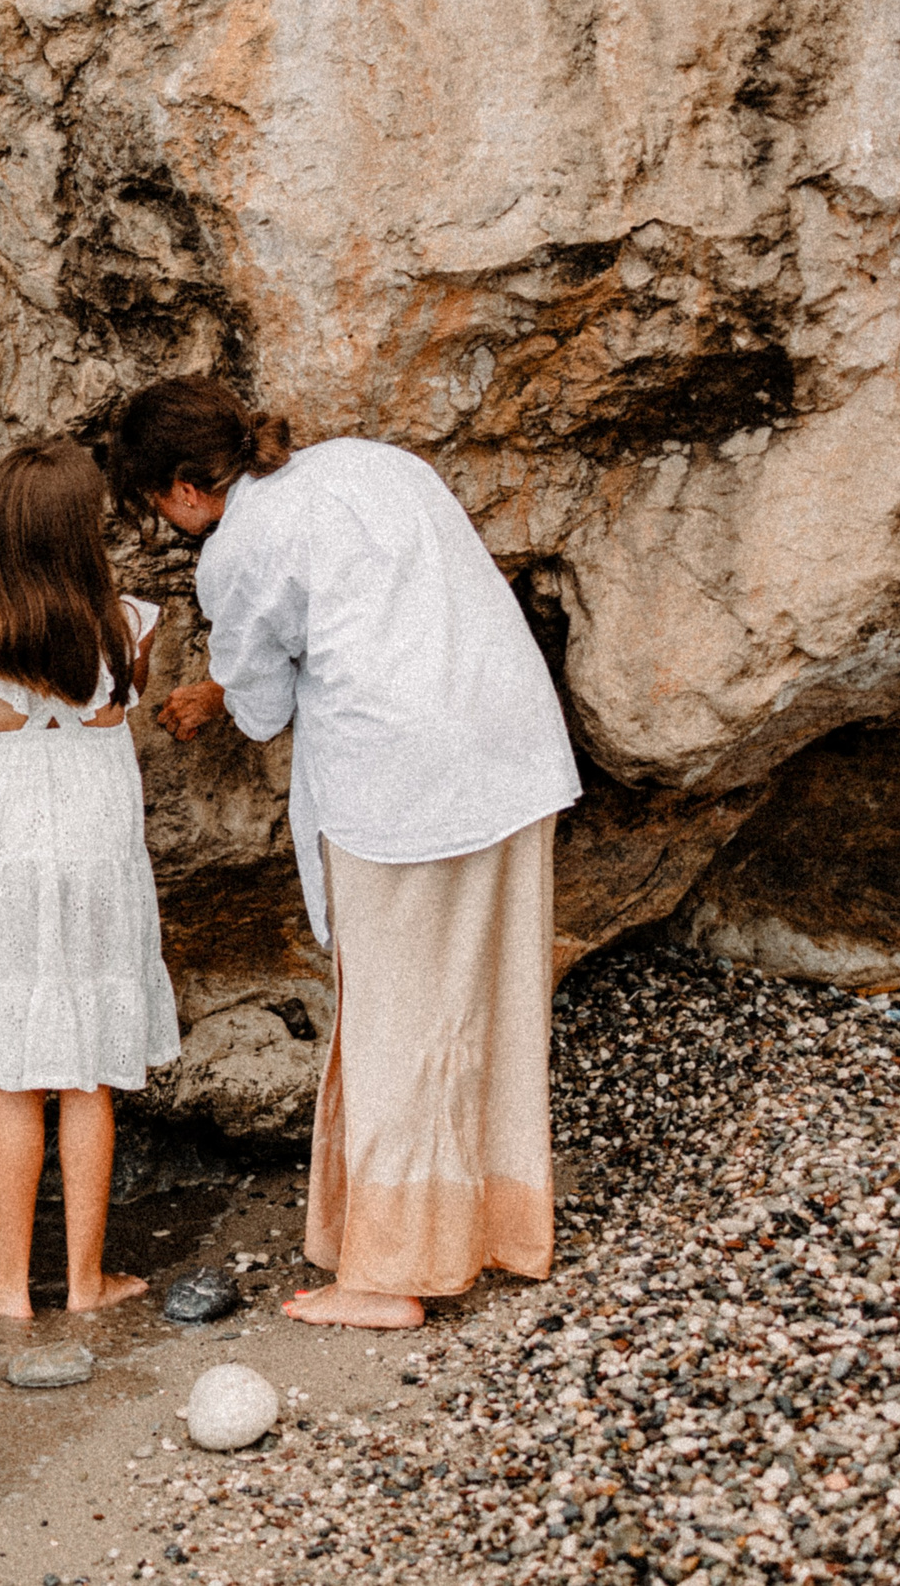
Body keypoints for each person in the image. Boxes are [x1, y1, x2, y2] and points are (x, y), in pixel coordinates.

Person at [105, 376, 581, 1331]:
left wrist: (222, 691)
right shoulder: (370, 461)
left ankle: (391, 1271)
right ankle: (496, 1224)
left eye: (156, 503)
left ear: (186, 488)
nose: (167, 522)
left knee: (399, 1016)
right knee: (489, 996)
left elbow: (270, 703)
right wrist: (226, 684)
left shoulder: (236, 545)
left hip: (404, 783)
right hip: (511, 746)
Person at [0, 440, 177, 1320]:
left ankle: (11, 1285)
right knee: (90, 1071)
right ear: (86, 528)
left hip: (13, 851)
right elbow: (115, 702)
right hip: (97, 849)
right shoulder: (132, 622)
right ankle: (88, 1281)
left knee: (15, 1077)